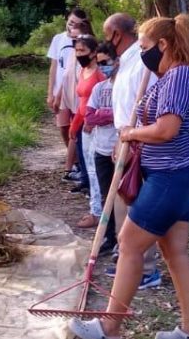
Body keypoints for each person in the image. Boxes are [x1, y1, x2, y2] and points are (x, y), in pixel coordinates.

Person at [71, 15, 189, 339]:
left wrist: (131, 133)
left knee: (129, 243)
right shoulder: (180, 75)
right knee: (175, 250)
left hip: (171, 177)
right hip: (183, 175)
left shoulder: (178, 76)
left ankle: (109, 327)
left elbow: (166, 129)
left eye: (146, 47)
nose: (143, 54)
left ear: (164, 45)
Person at [101, 12, 161, 288]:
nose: (105, 41)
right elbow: (123, 105)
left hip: (141, 141)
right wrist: (119, 138)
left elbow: (148, 103)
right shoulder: (125, 63)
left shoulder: (142, 62)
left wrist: (134, 137)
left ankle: (146, 268)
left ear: (117, 34)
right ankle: (127, 259)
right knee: (122, 201)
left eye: (106, 35)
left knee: (137, 203)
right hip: (124, 138)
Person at [84, 41, 120, 255]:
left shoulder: (123, 86)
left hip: (120, 149)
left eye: (105, 62)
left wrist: (103, 115)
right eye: (99, 64)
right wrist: (110, 115)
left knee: (122, 197)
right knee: (107, 195)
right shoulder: (99, 88)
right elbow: (89, 116)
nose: (103, 67)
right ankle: (109, 236)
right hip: (101, 148)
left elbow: (124, 114)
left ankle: (121, 240)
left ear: (117, 60)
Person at [67, 35, 105, 228]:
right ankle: (95, 209)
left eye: (82, 51)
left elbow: (106, 97)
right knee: (89, 170)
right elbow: (81, 103)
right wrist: (74, 125)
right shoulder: (83, 70)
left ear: (93, 52)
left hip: (97, 126)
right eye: (77, 51)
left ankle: (98, 212)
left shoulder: (100, 72)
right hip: (83, 123)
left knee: (95, 170)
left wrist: (94, 119)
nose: (79, 54)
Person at [48, 9, 89, 156]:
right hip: (60, 89)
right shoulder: (58, 39)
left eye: (77, 24)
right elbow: (54, 67)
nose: (72, 26)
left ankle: (77, 161)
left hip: (79, 89)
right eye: (71, 22)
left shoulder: (84, 40)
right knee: (63, 126)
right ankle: (75, 159)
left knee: (77, 126)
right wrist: (50, 93)